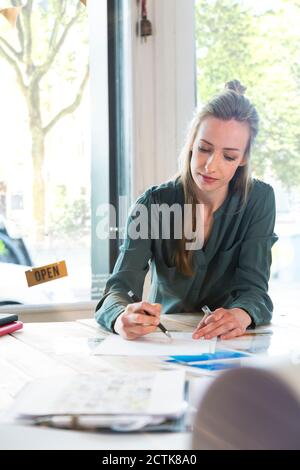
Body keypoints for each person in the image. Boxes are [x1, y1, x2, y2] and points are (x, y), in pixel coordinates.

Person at [95, 80, 278, 341]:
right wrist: (120, 318)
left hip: (229, 343)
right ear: (192, 142)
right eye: (204, 149)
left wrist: (241, 314)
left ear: (244, 158)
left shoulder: (259, 200)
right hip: (163, 340)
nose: (211, 166)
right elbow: (118, 289)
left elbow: (255, 291)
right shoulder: (153, 204)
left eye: (229, 156)